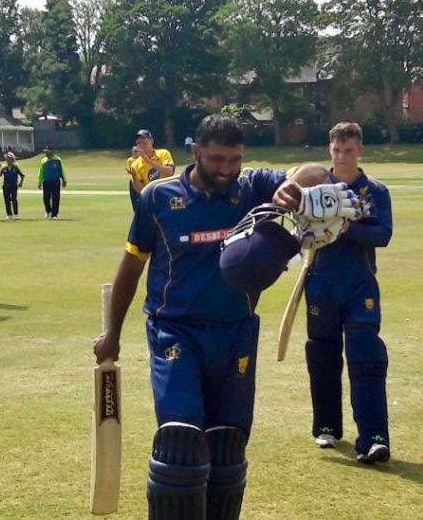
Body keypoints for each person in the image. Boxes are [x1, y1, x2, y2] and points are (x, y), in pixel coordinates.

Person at [93, 115, 349, 519]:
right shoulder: (159, 198)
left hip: (235, 334)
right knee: (181, 444)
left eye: (235, 160)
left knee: (228, 448)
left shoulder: (251, 187)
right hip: (175, 333)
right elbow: (131, 264)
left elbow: (320, 171)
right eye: (217, 159)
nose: (227, 169)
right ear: (195, 153)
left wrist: (295, 185)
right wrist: (113, 332)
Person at [304, 122, 393, 465]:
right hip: (321, 284)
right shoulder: (315, 187)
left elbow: (383, 234)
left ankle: (373, 438)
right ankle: (326, 426)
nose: (342, 157)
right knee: (323, 357)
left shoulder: (374, 191)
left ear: (360, 151)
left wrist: (344, 225)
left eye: (349, 150)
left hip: (360, 285)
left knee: (366, 357)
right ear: (330, 150)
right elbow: (301, 230)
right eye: (337, 151)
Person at [128, 129, 175, 212]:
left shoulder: (163, 153)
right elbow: (141, 190)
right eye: (138, 143)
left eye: (144, 142)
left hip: (167, 195)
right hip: (152, 200)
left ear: (151, 141)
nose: (141, 145)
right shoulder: (135, 165)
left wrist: (149, 162)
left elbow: (169, 172)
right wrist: (134, 177)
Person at [37, 145, 67, 220]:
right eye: (46, 152)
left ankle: (54, 214)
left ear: (52, 152)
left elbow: (61, 171)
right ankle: (48, 211)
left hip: (55, 181)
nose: (46, 153)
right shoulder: (43, 160)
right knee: (46, 198)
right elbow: (41, 172)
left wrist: (64, 180)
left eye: (48, 151)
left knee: (55, 198)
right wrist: (39, 182)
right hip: (46, 181)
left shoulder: (57, 160)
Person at [0, 151, 25, 220]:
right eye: (7, 158)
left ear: (12, 159)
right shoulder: (3, 166)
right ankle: (9, 214)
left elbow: (22, 175)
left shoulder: (16, 166)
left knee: (14, 199)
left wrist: (20, 183)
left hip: (14, 185)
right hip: (6, 185)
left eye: (9, 158)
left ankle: (16, 214)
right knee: (7, 200)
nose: (8, 159)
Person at [124, 145, 142, 210]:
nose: (136, 153)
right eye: (134, 151)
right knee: (133, 197)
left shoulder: (141, 160)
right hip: (133, 180)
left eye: (137, 151)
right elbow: (129, 168)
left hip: (140, 180)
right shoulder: (130, 160)